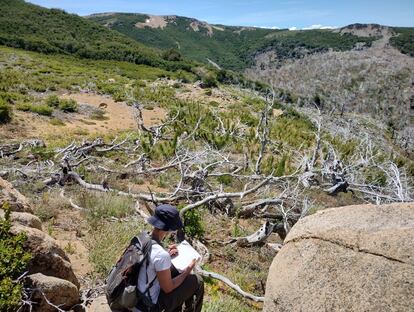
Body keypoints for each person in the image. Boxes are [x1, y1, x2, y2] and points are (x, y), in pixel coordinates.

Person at [133, 204, 204, 312]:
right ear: (168, 228)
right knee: (197, 281)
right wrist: (187, 270)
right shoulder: (161, 254)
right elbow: (168, 288)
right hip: (149, 306)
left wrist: (167, 254)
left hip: (136, 296)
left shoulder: (143, 238)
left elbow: (150, 262)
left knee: (176, 272)